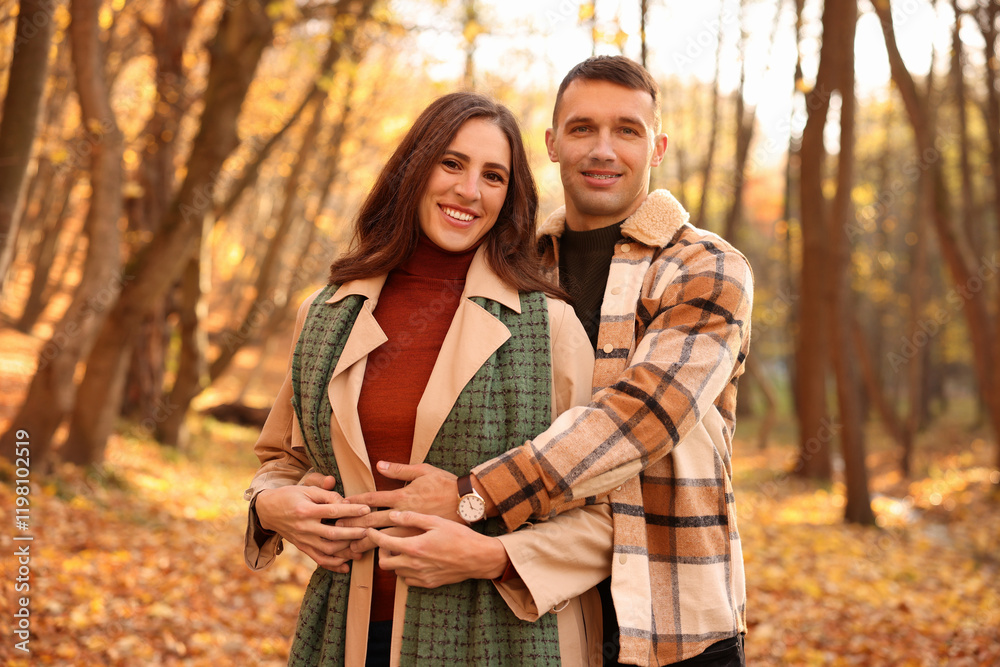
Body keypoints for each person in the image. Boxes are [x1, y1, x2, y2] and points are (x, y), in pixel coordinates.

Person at [339, 57, 753, 666]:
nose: (602, 149)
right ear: (552, 143)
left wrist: (470, 496)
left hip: (673, 620)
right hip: (533, 616)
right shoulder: (517, 270)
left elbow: (642, 420)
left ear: (657, 147)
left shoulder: (705, 268)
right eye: (582, 128)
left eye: (627, 131)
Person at [243, 92, 613, 666]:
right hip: (344, 633)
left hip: (499, 643)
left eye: (493, 176)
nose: (469, 190)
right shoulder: (325, 313)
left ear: (509, 198)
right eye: (452, 163)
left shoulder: (550, 325)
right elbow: (281, 462)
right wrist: (270, 508)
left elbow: (603, 514)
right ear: (413, 170)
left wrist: (494, 557)